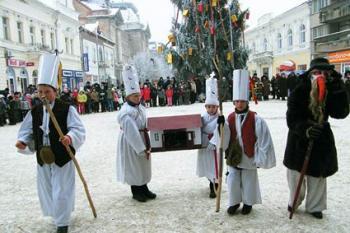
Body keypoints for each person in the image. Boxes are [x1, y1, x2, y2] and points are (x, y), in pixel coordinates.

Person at [15, 54, 86, 233]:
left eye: (47, 91)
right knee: (47, 189)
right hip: (43, 156)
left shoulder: (66, 108)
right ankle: (57, 215)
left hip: (62, 156)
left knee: (61, 189)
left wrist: (70, 137)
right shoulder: (35, 111)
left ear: (55, 91)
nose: (44, 95)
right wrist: (23, 142)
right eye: (40, 92)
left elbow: (78, 129)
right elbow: (27, 131)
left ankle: (62, 223)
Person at [283, 58, 349, 219]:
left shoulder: (331, 90)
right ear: (310, 74)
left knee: (318, 176)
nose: (320, 76)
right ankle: (294, 200)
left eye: (324, 73)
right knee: (295, 174)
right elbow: (292, 117)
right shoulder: (300, 90)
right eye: (316, 72)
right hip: (299, 138)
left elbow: (341, 113)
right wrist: (305, 129)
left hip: (321, 136)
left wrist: (338, 89)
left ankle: (315, 206)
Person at [211, 69, 275, 216]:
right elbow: (224, 136)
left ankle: (248, 202)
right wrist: (221, 126)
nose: (239, 104)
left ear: (247, 101)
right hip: (234, 155)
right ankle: (234, 202)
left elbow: (263, 139)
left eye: (242, 101)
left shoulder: (256, 119)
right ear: (234, 102)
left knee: (248, 180)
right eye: (237, 101)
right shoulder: (230, 118)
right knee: (233, 180)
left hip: (249, 155)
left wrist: (260, 157)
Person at [116, 65, 156, 202]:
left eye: (138, 95)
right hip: (131, 142)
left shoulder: (140, 107)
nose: (137, 98)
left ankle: (144, 187)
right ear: (128, 96)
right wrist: (140, 148)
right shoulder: (126, 113)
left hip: (142, 138)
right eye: (134, 96)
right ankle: (136, 191)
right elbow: (132, 132)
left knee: (143, 165)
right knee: (134, 165)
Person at [196, 72, 220, 198]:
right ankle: (210, 183)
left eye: (213, 107)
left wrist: (215, 141)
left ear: (217, 106)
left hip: (214, 147)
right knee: (207, 166)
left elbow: (221, 131)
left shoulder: (220, 118)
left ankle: (214, 187)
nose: (210, 109)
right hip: (205, 145)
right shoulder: (203, 117)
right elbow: (198, 128)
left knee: (214, 167)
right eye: (208, 107)